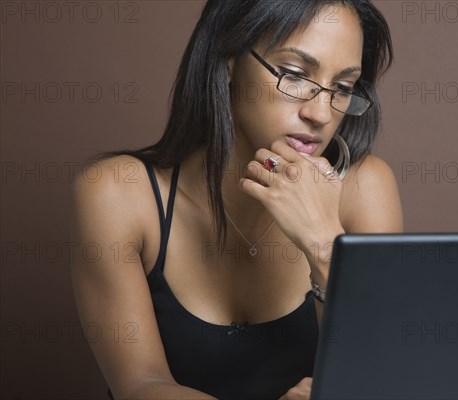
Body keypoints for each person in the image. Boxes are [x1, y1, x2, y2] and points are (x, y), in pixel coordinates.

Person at [70, 1, 403, 399]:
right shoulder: (118, 192)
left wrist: (322, 242)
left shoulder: (364, 188)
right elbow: (140, 385)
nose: (320, 113)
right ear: (228, 60)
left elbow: (387, 374)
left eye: (343, 88)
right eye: (296, 75)